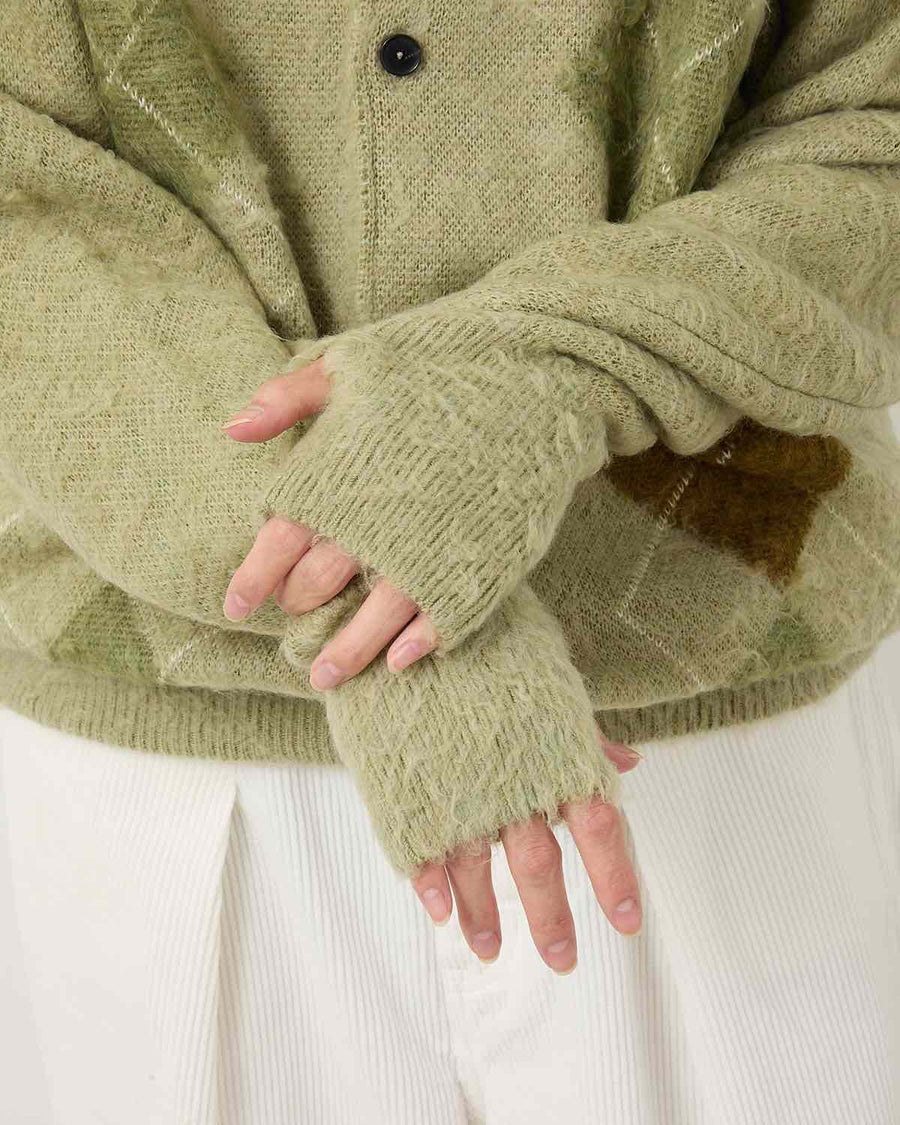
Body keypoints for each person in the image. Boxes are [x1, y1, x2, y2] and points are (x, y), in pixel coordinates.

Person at [1, 0, 898, 1121]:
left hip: (713, 753)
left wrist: (540, 371)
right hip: (177, 792)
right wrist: (389, 592)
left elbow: (870, 122)